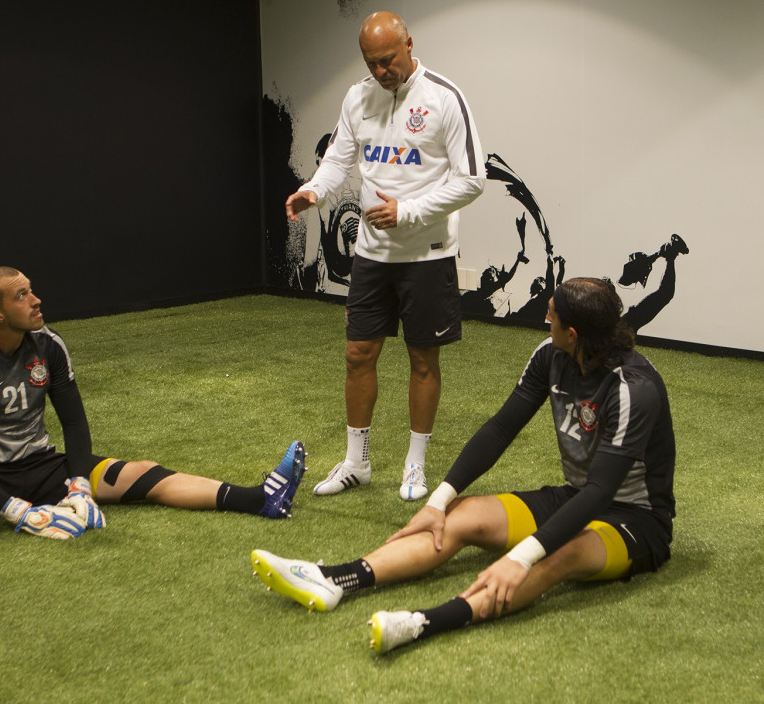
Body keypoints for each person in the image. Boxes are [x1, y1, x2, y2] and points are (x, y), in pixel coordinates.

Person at [250, 277, 676, 654]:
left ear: (574, 332)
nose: (546, 323)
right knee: (460, 515)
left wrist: (521, 557)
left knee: (558, 555)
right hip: (576, 496)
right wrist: (439, 500)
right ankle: (333, 580)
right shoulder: (551, 355)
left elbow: (603, 492)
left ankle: (422, 623)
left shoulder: (632, 389)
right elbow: (502, 428)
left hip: (635, 520)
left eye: (551, 318)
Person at [0, 266, 306, 602]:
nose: (37, 300)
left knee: (143, 472)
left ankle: (259, 499)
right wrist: (15, 511)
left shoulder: (49, 345)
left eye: (32, 289)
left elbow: (74, 424)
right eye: (23, 296)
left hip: (46, 467)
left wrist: (78, 483)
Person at [285, 11, 484, 501]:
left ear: (409, 45)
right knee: (358, 354)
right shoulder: (358, 96)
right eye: (371, 63)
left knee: (422, 358)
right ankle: (357, 462)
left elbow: (472, 178)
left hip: (428, 254)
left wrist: (410, 210)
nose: (380, 72)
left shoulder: (444, 98)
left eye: (388, 60)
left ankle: (414, 467)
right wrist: (315, 191)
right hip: (372, 256)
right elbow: (339, 158)